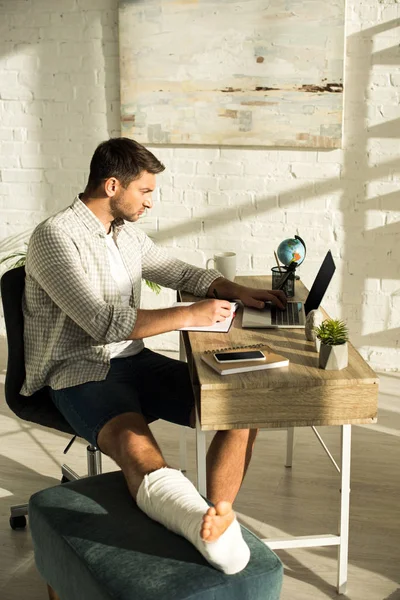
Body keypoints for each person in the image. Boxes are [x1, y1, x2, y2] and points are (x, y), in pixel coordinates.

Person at [22, 137, 286, 574]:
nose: (149, 203)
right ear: (112, 186)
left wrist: (236, 290)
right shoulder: (55, 237)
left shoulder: (124, 234)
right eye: (144, 191)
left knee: (241, 407)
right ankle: (193, 519)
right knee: (137, 449)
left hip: (136, 362)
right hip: (82, 370)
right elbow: (100, 322)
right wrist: (188, 314)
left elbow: (179, 271)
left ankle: (216, 517)